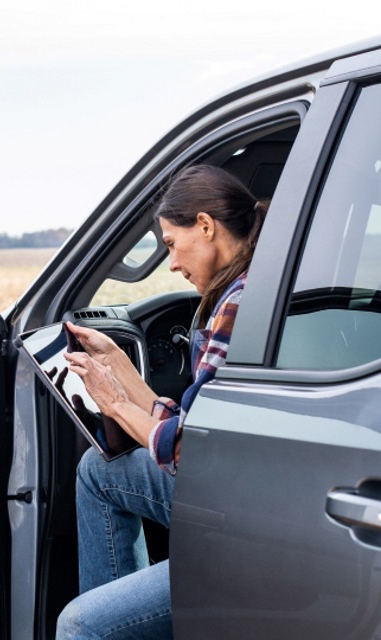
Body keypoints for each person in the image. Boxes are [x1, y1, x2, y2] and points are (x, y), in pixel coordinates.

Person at [55, 164, 268, 640]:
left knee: (80, 625)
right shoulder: (250, 286)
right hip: (237, 485)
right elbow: (193, 426)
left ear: (207, 226)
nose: (170, 262)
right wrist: (119, 365)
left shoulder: (235, 305)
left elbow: (184, 449)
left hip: (238, 514)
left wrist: (113, 403)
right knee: (99, 470)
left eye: (171, 243)